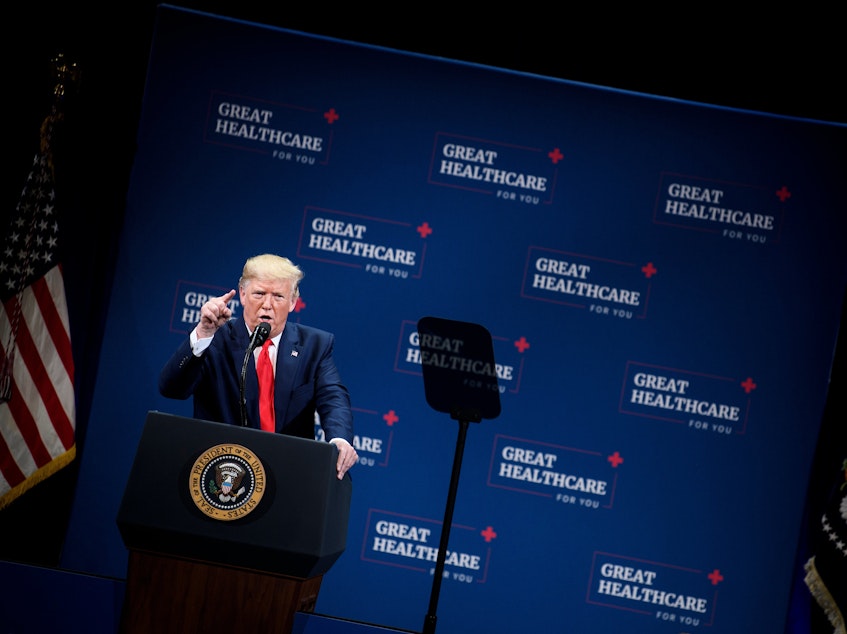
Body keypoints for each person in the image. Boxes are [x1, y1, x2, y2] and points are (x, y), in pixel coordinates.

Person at [159, 254, 357, 479]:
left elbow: (333, 398)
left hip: (285, 473)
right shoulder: (216, 337)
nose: (267, 305)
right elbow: (171, 389)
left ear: (293, 302)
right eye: (259, 294)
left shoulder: (315, 345)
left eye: (278, 296)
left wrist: (339, 440)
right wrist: (203, 334)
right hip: (220, 469)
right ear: (242, 294)